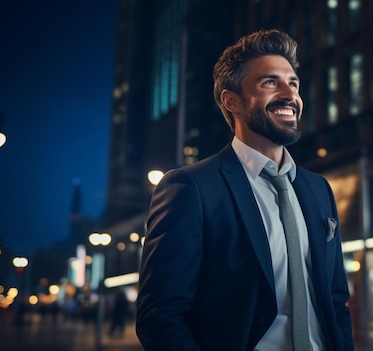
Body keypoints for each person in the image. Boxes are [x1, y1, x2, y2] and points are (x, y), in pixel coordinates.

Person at [136, 29, 353, 351]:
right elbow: (161, 315)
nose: (289, 94)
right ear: (231, 100)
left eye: (293, 83)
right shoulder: (190, 188)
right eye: (270, 82)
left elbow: (335, 301)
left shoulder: (318, 188)